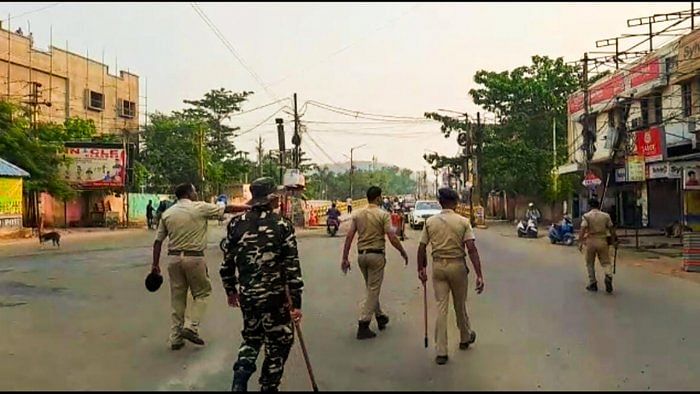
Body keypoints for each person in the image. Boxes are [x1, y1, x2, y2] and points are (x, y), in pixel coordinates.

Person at [221, 177, 304, 392]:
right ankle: (269, 385)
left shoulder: (236, 224)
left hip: (248, 295)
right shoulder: (282, 225)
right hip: (276, 297)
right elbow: (292, 268)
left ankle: (240, 377)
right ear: (271, 198)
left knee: (252, 336)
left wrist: (230, 289)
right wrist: (296, 303)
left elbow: (227, 262)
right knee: (280, 341)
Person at [151, 183, 244, 351]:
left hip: (173, 258)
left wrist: (155, 265)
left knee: (177, 298)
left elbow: (158, 242)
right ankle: (191, 326)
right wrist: (250, 206)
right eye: (194, 191)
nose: (196, 193)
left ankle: (176, 338)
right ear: (188, 193)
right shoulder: (199, 207)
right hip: (194, 257)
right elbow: (227, 208)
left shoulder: (168, 213)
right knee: (202, 293)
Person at [417, 187, 485, 365]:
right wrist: (479, 274)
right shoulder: (462, 222)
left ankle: (441, 351)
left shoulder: (430, 222)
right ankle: (464, 337)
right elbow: (471, 248)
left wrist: (421, 269)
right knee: (459, 305)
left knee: (441, 308)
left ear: (440, 202)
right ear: (455, 203)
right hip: (457, 265)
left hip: (438, 266)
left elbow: (422, 247)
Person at [342, 186, 409, 340]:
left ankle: (380, 316)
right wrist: (402, 251)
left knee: (371, 287)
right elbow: (392, 237)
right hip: (376, 256)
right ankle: (363, 323)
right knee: (373, 289)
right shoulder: (383, 215)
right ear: (378, 198)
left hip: (362, 256)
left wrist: (345, 258)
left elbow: (350, 236)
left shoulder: (358, 215)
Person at [579, 198, 618, 293]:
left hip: (591, 240)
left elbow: (583, 229)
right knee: (606, 262)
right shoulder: (605, 216)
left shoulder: (586, 216)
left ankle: (593, 283)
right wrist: (614, 241)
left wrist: (580, 241)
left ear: (589, 206)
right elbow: (612, 229)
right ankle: (608, 275)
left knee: (590, 263)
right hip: (602, 240)